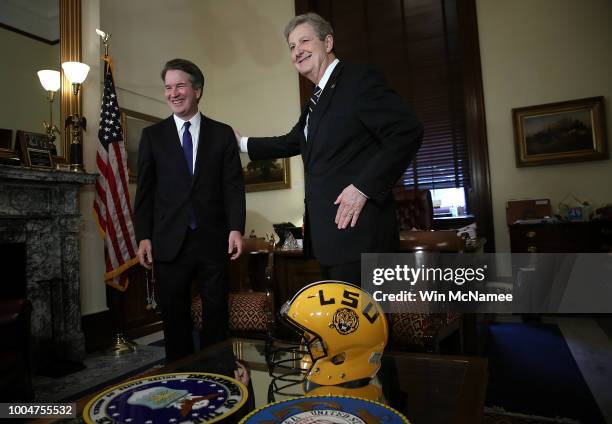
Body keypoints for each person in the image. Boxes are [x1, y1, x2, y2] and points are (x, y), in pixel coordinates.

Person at [236, 13, 423, 285]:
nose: (297, 51)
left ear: (328, 42)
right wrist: (241, 143)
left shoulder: (359, 79)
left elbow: (407, 131)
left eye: (304, 41)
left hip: (362, 237)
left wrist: (362, 188)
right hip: (331, 241)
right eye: (291, 46)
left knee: (365, 326)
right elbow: (292, 141)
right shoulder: (315, 100)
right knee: (340, 325)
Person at [135, 58, 245, 362]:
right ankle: (181, 381)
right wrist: (143, 236)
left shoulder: (222, 134)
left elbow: (233, 186)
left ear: (197, 90)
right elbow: (145, 192)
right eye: (168, 87)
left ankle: (218, 378)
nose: (173, 93)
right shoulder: (152, 137)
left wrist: (236, 227)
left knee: (216, 315)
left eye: (180, 85)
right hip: (169, 241)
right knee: (174, 318)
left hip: (213, 239)